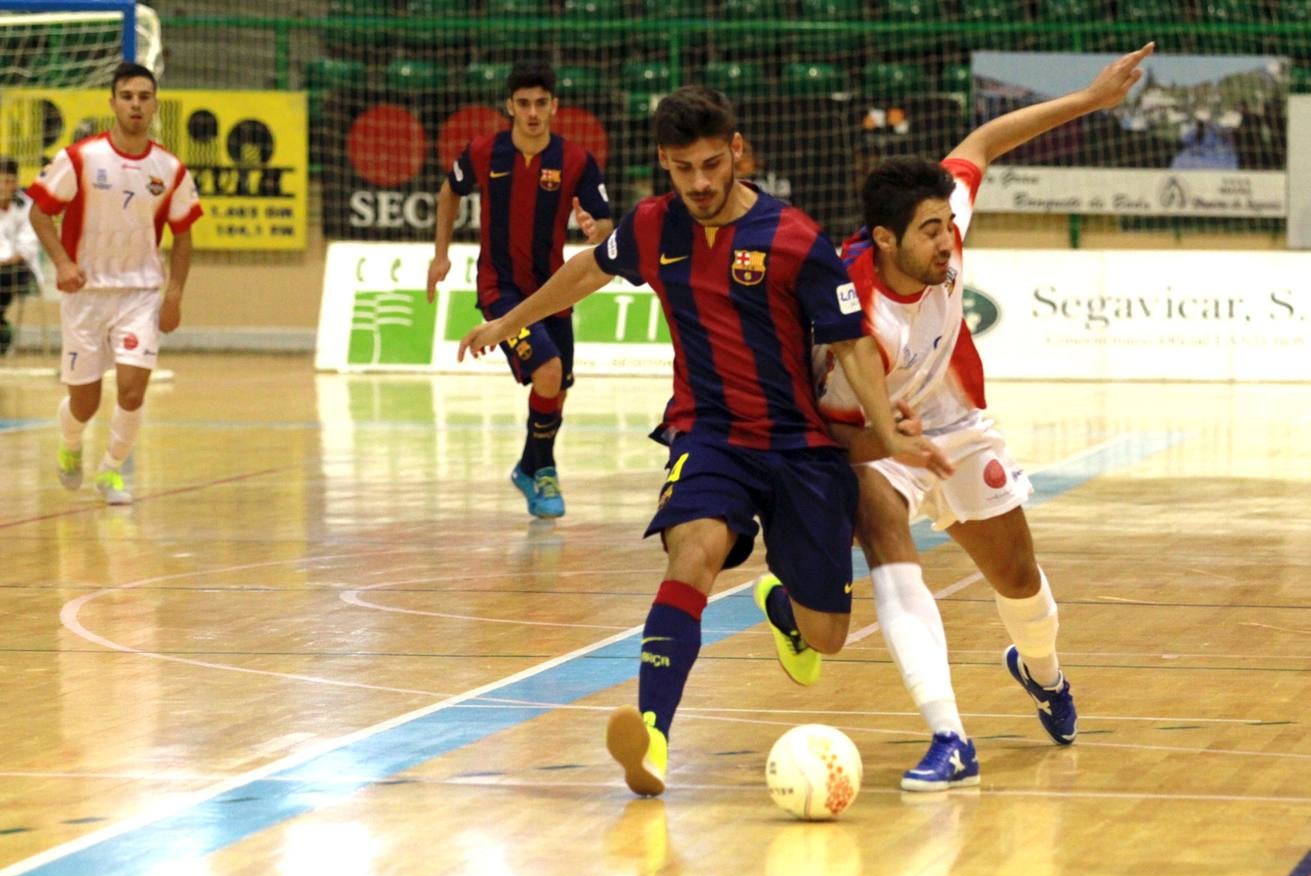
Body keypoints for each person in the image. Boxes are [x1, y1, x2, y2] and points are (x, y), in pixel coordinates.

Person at [459, 86, 952, 796]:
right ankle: (653, 737)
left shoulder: (794, 238)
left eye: (711, 164)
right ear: (664, 163)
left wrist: (885, 433)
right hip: (708, 431)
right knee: (692, 553)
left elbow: (849, 348)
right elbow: (583, 272)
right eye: (682, 168)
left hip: (797, 446)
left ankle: (782, 607)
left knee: (825, 637)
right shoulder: (651, 226)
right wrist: (511, 322)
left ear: (738, 152)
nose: (699, 182)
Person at [811, 42, 1156, 791]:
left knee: (1018, 578)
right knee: (884, 538)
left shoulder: (940, 229)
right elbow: (836, 429)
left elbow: (984, 141)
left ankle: (1042, 672)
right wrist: (891, 445)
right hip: (874, 440)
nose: (947, 241)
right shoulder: (852, 317)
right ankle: (948, 735)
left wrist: (1089, 100)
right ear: (883, 241)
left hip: (959, 428)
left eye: (946, 224)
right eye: (929, 231)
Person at [427, 60, 613, 520]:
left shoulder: (575, 160)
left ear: (554, 107)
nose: (532, 113)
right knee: (548, 370)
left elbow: (606, 220)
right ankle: (544, 468)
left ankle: (527, 467)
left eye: (541, 103)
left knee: (559, 389)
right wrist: (440, 254)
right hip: (500, 287)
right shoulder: (484, 152)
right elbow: (449, 192)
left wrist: (595, 227)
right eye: (524, 104)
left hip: (554, 290)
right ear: (509, 106)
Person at [28, 61, 202, 505]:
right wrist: (64, 264)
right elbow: (39, 213)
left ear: (155, 105)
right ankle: (70, 447)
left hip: (140, 294)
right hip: (85, 294)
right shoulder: (81, 158)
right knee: (84, 402)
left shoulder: (171, 169)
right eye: (127, 97)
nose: (136, 105)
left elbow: (183, 235)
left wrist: (174, 294)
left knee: (131, 388)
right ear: (113, 103)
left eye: (144, 97)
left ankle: (111, 471)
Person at [0, 156, 44, 355]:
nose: (3, 186)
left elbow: (27, 248)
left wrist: (6, 260)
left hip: (19, 269)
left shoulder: (27, 206)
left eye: (8, 181)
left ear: (16, 182)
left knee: (6, 274)